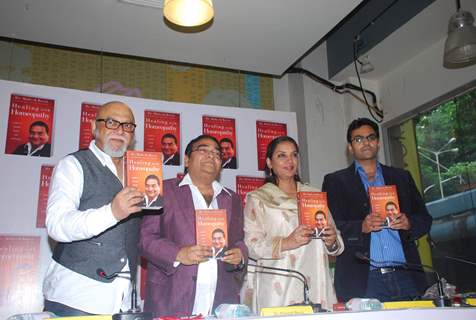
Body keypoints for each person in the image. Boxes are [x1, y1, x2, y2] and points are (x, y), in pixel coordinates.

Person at [43, 101, 144, 316]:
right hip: (76, 295)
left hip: (123, 301)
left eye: (127, 126)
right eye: (111, 122)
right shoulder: (73, 165)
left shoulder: (140, 173)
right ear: (93, 127)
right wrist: (112, 213)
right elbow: (57, 224)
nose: (120, 130)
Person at [322, 117, 433, 302]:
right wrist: (361, 227)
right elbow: (330, 226)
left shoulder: (401, 177)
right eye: (358, 139)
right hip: (362, 279)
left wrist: (409, 223)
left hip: (406, 274)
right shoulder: (335, 181)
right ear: (350, 147)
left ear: (378, 143)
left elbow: (425, 219)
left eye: (370, 137)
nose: (365, 142)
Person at [139, 134, 248, 317]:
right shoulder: (163, 190)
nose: (211, 156)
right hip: (171, 299)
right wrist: (178, 254)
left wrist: (240, 255)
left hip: (220, 303)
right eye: (203, 150)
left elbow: (238, 241)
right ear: (187, 160)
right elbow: (145, 239)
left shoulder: (232, 199)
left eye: (217, 153)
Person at [243, 136, 344, 312]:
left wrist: (331, 240)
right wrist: (287, 242)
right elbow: (251, 246)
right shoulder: (258, 198)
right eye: (282, 156)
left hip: (315, 281)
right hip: (278, 285)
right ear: (269, 162)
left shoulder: (313, 195)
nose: (290, 161)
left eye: (294, 155)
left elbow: (337, 245)